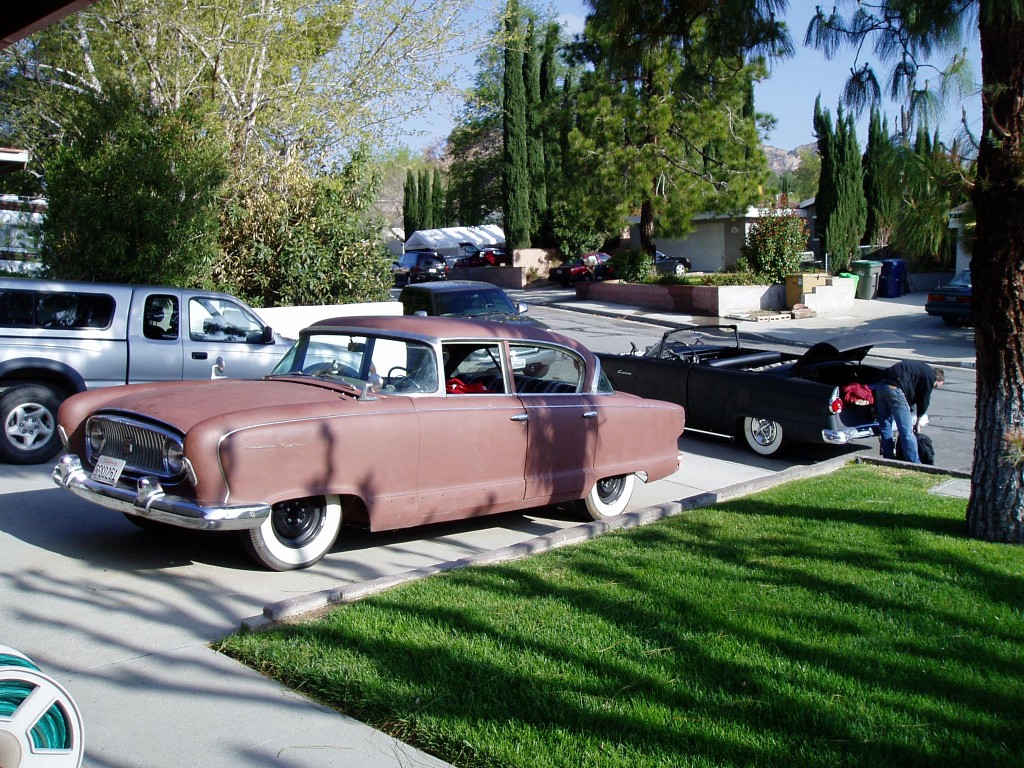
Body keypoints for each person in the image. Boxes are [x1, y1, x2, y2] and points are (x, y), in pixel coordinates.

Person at [875, 361, 944, 463]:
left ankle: (888, 459)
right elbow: (924, 400)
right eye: (936, 386)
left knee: (886, 426)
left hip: (881, 386)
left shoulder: (922, 369)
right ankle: (915, 463)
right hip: (895, 389)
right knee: (906, 431)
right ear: (937, 378)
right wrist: (917, 422)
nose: (933, 388)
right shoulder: (930, 376)